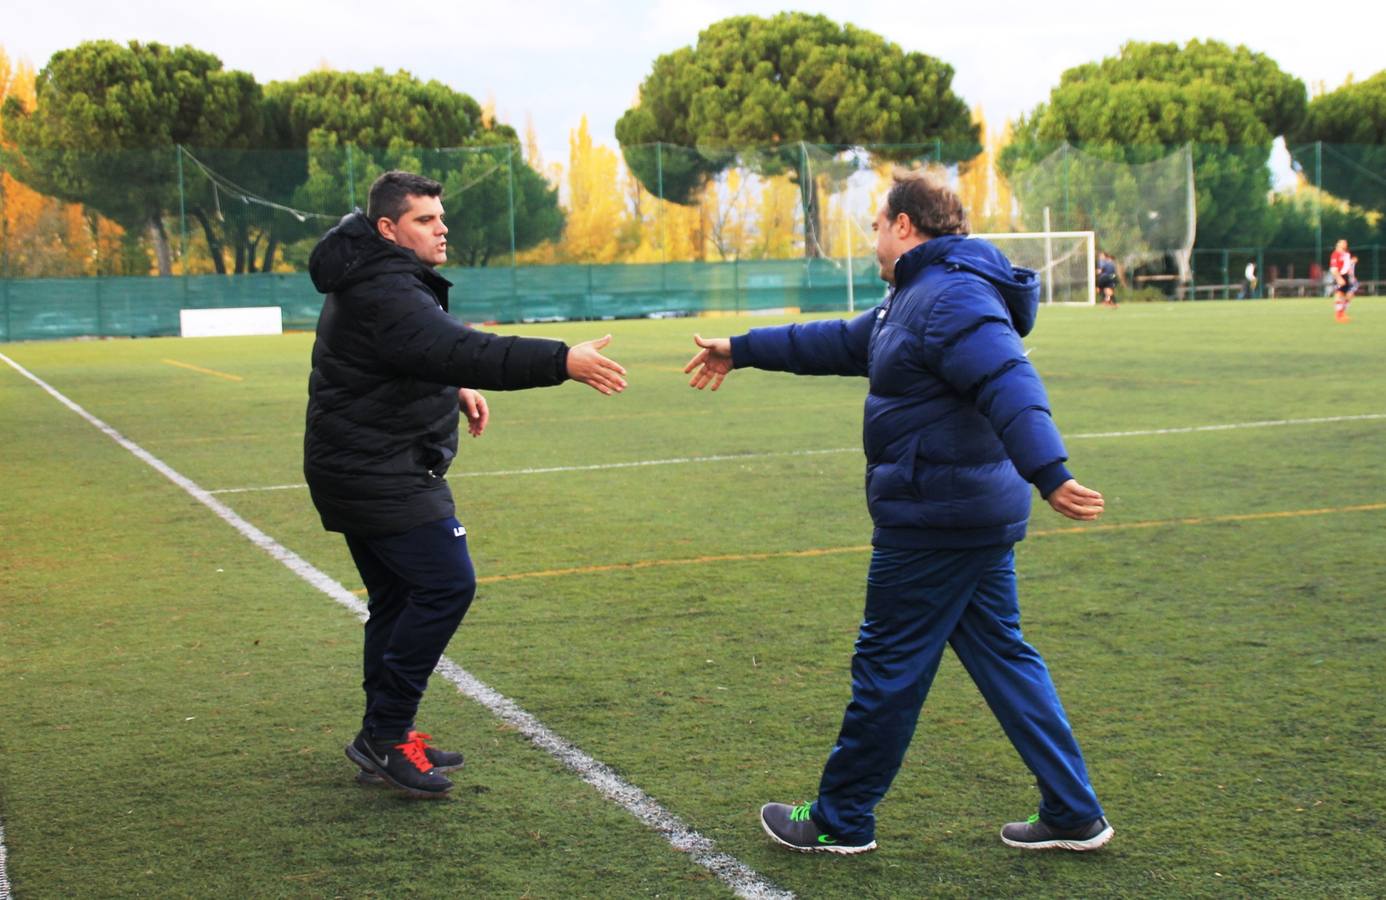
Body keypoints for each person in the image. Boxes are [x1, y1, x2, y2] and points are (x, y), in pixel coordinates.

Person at [685, 170, 1112, 854]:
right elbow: (837, 342)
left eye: (878, 226)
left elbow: (1009, 379)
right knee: (1004, 658)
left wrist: (1050, 472)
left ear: (906, 227)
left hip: (935, 519)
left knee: (887, 665)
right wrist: (744, 350)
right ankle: (1072, 810)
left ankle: (840, 818)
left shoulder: (949, 298)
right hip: (962, 515)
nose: (874, 238)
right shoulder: (914, 298)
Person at [304, 171, 627, 799]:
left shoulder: (375, 276)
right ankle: (388, 734)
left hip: (363, 463)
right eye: (425, 220)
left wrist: (449, 388)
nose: (442, 227)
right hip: (379, 470)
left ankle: (384, 733)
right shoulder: (386, 289)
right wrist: (564, 360)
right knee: (447, 583)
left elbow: (408, 358)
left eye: (440, 216)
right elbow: (461, 348)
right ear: (388, 230)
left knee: (398, 599)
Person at [1329, 239, 1358, 322]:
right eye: (1343, 243)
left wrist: (1352, 275)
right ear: (1338, 244)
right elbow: (1333, 268)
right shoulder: (1335, 254)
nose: (1345, 244)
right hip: (1339, 275)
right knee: (1339, 294)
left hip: (1347, 276)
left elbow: (1348, 266)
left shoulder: (1346, 254)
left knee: (1349, 295)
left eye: (1345, 243)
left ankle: (1342, 313)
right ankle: (1338, 315)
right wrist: (1338, 278)